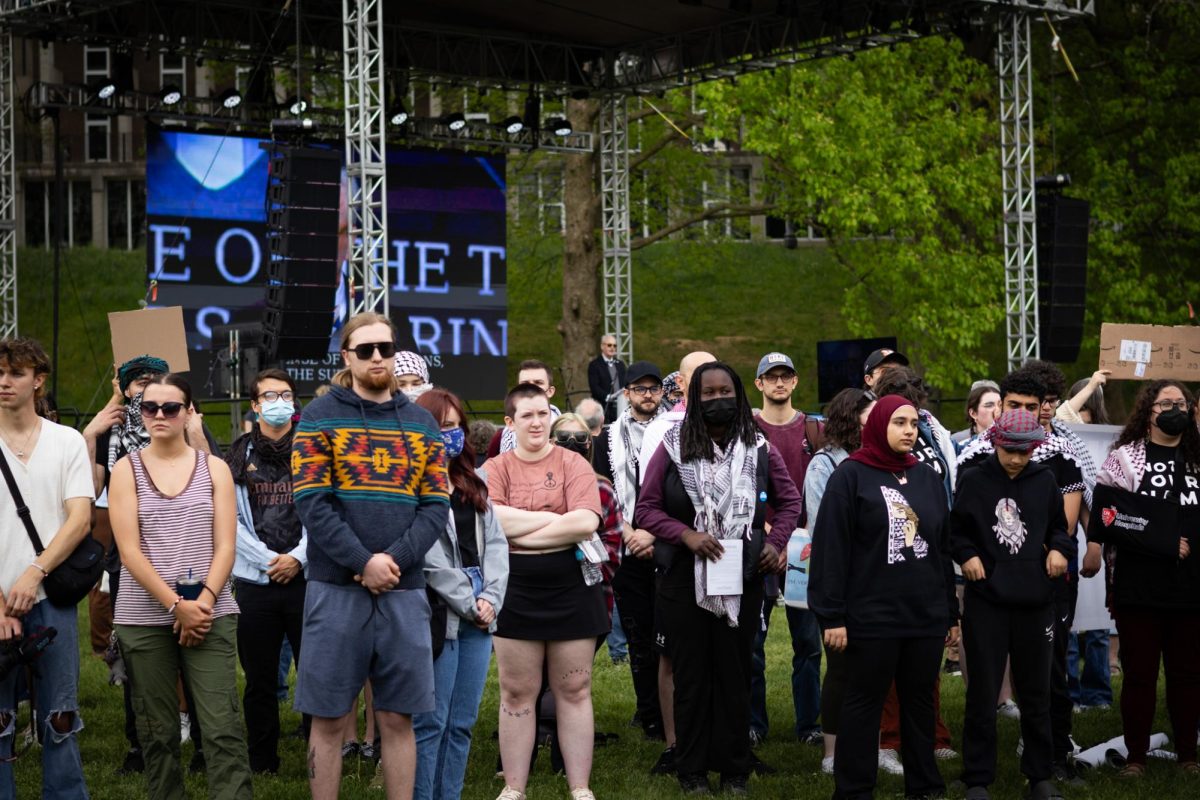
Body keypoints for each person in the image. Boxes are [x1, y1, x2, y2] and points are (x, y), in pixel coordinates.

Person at [292, 311, 450, 800]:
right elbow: (312, 504)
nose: (377, 357)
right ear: (347, 357)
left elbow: (436, 504)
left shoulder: (423, 423)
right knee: (330, 717)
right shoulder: (318, 418)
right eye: (365, 350)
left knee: (398, 717)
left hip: (404, 589)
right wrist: (364, 562)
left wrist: (394, 560)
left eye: (385, 347)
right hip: (335, 588)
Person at [636, 361, 803, 795]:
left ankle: (734, 769)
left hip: (742, 577)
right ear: (694, 399)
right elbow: (646, 509)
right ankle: (691, 770)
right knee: (690, 676)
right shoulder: (673, 445)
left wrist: (775, 542)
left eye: (724, 391)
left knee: (734, 674)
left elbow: (789, 503)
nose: (716, 400)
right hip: (681, 579)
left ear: (739, 394)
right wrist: (686, 535)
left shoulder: (760, 447)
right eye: (707, 393)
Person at [108, 373, 252, 800]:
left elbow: (226, 545)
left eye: (171, 407)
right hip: (144, 615)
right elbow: (129, 552)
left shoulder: (215, 468)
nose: (159, 415)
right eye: (149, 407)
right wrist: (176, 606)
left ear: (189, 413)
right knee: (158, 732)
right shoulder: (125, 469)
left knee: (223, 728)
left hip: (210, 611)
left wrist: (201, 603)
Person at [809, 394, 959, 800]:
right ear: (876, 426)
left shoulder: (927, 478)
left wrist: (949, 611)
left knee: (920, 703)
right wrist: (832, 616)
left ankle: (925, 786)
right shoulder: (851, 476)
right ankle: (855, 789)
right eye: (898, 423)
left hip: (924, 613)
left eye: (913, 423)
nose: (909, 430)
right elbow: (830, 551)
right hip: (871, 616)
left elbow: (941, 549)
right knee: (863, 703)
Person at [484, 382, 605, 800]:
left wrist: (523, 531)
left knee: (574, 689)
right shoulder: (495, 469)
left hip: (571, 587)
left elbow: (587, 523)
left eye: (542, 414)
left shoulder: (574, 464)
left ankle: (579, 788)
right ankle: (514, 788)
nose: (536, 422)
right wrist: (557, 527)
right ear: (510, 422)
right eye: (527, 415)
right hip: (513, 588)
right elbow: (491, 523)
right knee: (517, 691)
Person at [951, 409, 1074, 800]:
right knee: (983, 693)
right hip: (987, 600)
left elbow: (1060, 527)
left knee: (1037, 691)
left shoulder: (1045, 481)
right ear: (995, 443)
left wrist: (1059, 549)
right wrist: (968, 554)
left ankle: (1039, 775)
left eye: (1024, 452)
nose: (1016, 459)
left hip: (1036, 601)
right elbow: (954, 531)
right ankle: (976, 777)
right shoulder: (973, 480)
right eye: (1009, 451)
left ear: (1035, 449)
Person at [1086, 379, 1200, 778]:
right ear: (1148, 410)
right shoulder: (1125, 459)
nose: (1174, 408)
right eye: (1165, 401)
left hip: (1191, 590)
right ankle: (1136, 758)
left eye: (1181, 402)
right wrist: (1164, 540)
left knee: (1188, 675)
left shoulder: (1198, 457)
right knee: (1139, 677)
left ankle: (1188, 754)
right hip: (1139, 588)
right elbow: (1106, 514)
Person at [0, 337, 93, 800]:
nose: (3, 381)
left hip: (50, 597)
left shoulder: (67, 441)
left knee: (60, 716)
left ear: (38, 380)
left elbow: (78, 519)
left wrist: (33, 573)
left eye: (15, 372)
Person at [412, 388, 509, 800]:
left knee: (463, 722)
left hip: (481, 611)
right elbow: (429, 560)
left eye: (453, 427)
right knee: (431, 723)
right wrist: (471, 603)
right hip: (441, 613)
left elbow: (498, 546)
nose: (447, 435)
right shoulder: (411, 485)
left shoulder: (476, 480)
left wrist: (492, 598)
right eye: (438, 427)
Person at [868, 367, 960, 770]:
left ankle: (932, 732)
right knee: (887, 665)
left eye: (916, 403)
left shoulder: (934, 436)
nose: (912, 420)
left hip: (929, 555)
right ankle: (888, 738)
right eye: (902, 404)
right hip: (885, 565)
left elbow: (947, 486)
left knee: (926, 659)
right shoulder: (873, 433)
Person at [636, 349, 716, 776]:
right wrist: (656, 535)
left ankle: (723, 738)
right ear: (681, 383)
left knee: (723, 649)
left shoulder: (734, 424)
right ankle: (674, 742)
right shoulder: (663, 429)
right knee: (671, 653)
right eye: (699, 376)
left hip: (723, 557)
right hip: (674, 553)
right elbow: (647, 492)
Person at [226, 368, 309, 775]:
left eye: (287, 395)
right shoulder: (238, 455)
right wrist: (267, 560)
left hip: (307, 578)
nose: (280, 402)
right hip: (256, 581)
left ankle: (318, 751)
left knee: (314, 672)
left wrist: (299, 557)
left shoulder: (311, 449)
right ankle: (262, 761)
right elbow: (228, 520)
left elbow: (323, 509)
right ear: (255, 405)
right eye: (270, 396)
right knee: (259, 680)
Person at [748, 352, 822, 748]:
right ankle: (754, 724)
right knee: (752, 644)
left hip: (805, 545)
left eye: (785, 377)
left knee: (808, 643)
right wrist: (767, 530)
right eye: (770, 377)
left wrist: (801, 535)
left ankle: (809, 725)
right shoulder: (747, 430)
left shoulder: (814, 430)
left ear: (794, 383)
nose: (779, 383)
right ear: (758, 384)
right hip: (759, 545)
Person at [802, 388, 875, 775]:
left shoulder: (880, 461)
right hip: (839, 582)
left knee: (871, 669)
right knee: (841, 668)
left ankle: (868, 745)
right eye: (870, 415)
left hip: (876, 582)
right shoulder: (824, 465)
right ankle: (832, 753)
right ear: (852, 418)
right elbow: (821, 530)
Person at [594, 361, 666, 742]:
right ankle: (650, 714)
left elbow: (680, 489)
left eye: (653, 388)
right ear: (627, 395)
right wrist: (631, 533)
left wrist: (652, 535)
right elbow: (602, 490)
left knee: (668, 633)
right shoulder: (607, 438)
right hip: (626, 547)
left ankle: (671, 708)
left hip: (666, 545)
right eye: (640, 389)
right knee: (639, 634)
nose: (648, 395)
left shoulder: (675, 433)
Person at [491, 360, 562, 456]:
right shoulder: (500, 438)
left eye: (538, 382)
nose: (531, 388)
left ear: (550, 391)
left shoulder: (569, 430)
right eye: (525, 383)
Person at [588, 334, 626, 424]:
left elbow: (625, 383)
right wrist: (607, 397)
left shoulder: (620, 364)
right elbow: (594, 387)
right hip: (602, 407)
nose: (612, 348)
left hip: (620, 405)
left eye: (614, 345)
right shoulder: (595, 365)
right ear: (602, 346)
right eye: (609, 345)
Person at [951, 380, 1001, 447]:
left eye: (1000, 405)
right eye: (989, 405)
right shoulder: (957, 441)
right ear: (973, 413)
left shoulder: (1013, 439)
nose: (997, 410)